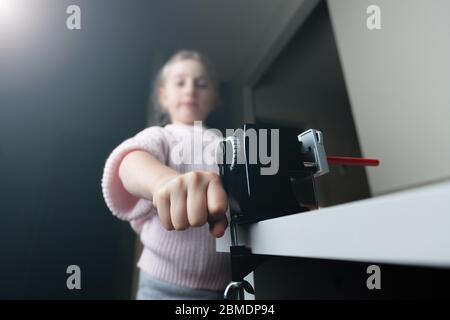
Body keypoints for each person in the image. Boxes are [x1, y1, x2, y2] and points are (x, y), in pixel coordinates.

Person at [101, 50, 231, 300]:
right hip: (161, 286)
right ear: (163, 96)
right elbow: (130, 162)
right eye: (180, 83)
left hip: (224, 288)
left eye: (201, 84)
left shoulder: (228, 145)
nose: (190, 89)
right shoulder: (161, 136)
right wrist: (162, 181)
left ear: (214, 98)